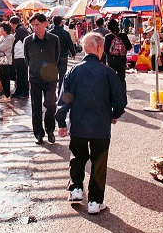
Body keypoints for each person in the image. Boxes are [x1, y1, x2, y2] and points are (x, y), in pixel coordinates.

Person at [56, 32, 127, 215]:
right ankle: (95, 201)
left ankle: (75, 190)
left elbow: (64, 99)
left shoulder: (73, 71)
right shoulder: (108, 72)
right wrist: (115, 114)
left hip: (78, 125)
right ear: (99, 48)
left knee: (77, 157)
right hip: (100, 126)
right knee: (99, 162)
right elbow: (120, 100)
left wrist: (61, 121)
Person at [24, 13, 60, 144]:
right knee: (36, 107)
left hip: (50, 78)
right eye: (33, 25)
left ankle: (50, 129)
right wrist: (33, 69)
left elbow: (56, 57)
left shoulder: (54, 39)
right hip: (35, 79)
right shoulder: (28, 41)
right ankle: (39, 133)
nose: (35, 28)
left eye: (37, 25)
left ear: (45, 24)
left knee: (50, 104)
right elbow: (26, 59)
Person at [104, 19, 132, 90]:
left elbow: (106, 50)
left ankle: (112, 93)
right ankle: (122, 94)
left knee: (110, 77)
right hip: (122, 59)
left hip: (111, 59)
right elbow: (129, 47)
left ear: (109, 28)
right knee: (121, 77)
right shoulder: (123, 36)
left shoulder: (108, 37)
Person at [50, 16, 77, 93]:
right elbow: (70, 44)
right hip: (63, 56)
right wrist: (73, 53)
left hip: (53, 57)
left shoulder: (50, 33)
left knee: (53, 76)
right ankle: (60, 92)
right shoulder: (65, 33)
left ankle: (52, 92)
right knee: (62, 75)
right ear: (61, 23)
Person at [0, 22, 15, 103]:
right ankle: (5, 93)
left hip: (5, 60)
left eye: (1, 28)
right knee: (2, 77)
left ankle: (7, 95)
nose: (0, 30)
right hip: (1, 60)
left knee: (5, 78)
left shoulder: (9, 38)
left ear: (5, 30)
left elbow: (1, 48)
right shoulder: (3, 37)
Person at [10, 16, 30, 99]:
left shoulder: (20, 30)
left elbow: (25, 42)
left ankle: (24, 92)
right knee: (20, 75)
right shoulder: (20, 29)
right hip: (19, 56)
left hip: (21, 56)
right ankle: (19, 91)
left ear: (13, 24)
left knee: (22, 75)